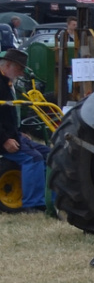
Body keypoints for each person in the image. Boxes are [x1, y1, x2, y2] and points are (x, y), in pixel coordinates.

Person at [0, 48, 47, 214]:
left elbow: (8, 115)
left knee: (50, 153)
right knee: (33, 158)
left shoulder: (8, 83)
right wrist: (4, 140)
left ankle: (50, 198)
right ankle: (33, 204)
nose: (21, 74)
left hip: (12, 135)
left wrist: (18, 131)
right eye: (19, 69)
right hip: (4, 139)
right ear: (9, 65)